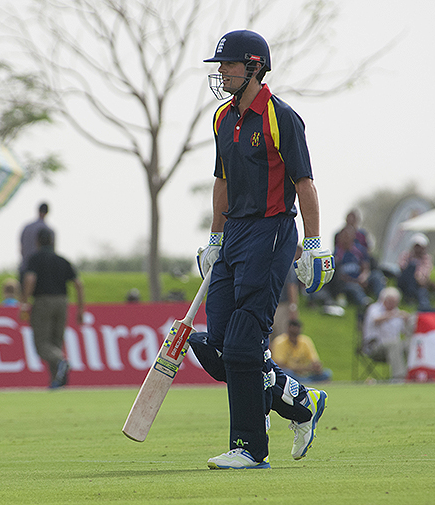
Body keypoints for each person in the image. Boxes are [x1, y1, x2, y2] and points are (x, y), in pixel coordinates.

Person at [188, 30, 333, 470]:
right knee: (218, 345)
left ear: (253, 66)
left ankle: (249, 449)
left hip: (271, 233)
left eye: (228, 64)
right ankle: (297, 400)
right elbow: (222, 182)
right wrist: (215, 239)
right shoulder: (221, 119)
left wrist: (312, 245)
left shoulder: (279, 116)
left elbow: (304, 183)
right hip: (234, 235)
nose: (221, 71)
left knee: (242, 345)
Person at [20, 229, 84, 388]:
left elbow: (30, 279)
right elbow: (78, 284)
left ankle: (61, 362)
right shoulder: (62, 260)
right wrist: (81, 309)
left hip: (43, 301)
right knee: (56, 343)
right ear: (53, 241)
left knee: (42, 345)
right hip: (62, 302)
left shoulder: (35, 259)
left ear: (37, 242)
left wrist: (24, 303)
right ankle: (57, 381)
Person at [362, 287, 412, 380]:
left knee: (409, 344)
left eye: (395, 302)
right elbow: (376, 320)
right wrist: (391, 315)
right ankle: (399, 377)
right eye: (390, 301)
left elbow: (406, 332)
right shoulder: (374, 308)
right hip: (375, 346)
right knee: (394, 344)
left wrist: (407, 321)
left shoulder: (397, 312)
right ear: (383, 299)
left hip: (394, 348)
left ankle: (413, 374)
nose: (392, 304)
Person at [331, 225, 385, 311]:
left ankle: (383, 300)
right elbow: (338, 275)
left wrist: (363, 277)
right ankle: (365, 303)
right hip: (348, 282)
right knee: (354, 287)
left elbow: (365, 266)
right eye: (344, 235)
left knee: (377, 275)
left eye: (348, 235)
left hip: (361, 278)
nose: (346, 238)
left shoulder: (359, 250)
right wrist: (355, 281)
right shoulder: (337, 254)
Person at [270, 319, 332, 383]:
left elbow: (315, 361)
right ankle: (307, 382)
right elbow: (280, 365)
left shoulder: (305, 341)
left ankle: (306, 382)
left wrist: (317, 368)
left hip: (304, 374)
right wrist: (304, 368)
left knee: (327, 373)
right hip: (290, 373)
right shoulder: (279, 342)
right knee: (286, 373)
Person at [19, 202, 56, 286]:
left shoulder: (27, 228)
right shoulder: (49, 231)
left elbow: (21, 248)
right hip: (43, 271)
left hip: (25, 266)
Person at [397, 233, 435, 311]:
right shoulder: (406, 255)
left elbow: (425, 272)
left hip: (418, 284)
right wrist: (417, 275)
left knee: (422, 290)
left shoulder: (427, 258)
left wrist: (420, 278)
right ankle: (410, 296)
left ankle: (424, 307)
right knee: (412, 266)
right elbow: (402, 267)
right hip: (405, 281)